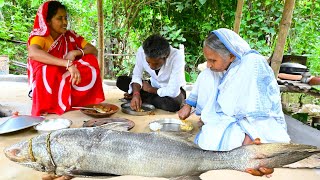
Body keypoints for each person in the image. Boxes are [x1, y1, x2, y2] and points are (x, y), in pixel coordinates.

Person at [179, 28, 291, 152]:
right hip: (230, 117)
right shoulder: (223, 67)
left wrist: (248, 133)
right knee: (207, 75)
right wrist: (189, 105)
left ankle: (251, 140)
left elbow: (258, 110)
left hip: (258, 120)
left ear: (231, 56)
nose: (209, 64)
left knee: (223, 142)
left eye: (213, 60)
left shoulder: (252, 63)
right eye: (208, 60)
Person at [27, 1, 105, 116]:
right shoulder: (40, 37)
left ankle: (72, 99)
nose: (65, 22)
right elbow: (33, 53)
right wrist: (67, 63)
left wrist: (75, 52)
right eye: (59, 18)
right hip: (53, 74)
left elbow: (93, 50)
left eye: (65, 18)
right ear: (47, 21)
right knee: (46, 70)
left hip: (68, 73)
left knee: (90, 61)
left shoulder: (70, 35)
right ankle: (49, 101)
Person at [116, 34, 186, 112]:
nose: (151, 67)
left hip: (173, 91)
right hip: (151, 84)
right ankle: (142, 96)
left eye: (156, 64)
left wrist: (150, 89)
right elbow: (136, 75)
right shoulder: (142, 51)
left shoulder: (177, 56)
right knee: (121, 81)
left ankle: (144, 97)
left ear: (165, 56)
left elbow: (173, 91)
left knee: (174, 105)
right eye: (148, 62)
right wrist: (136, 94)